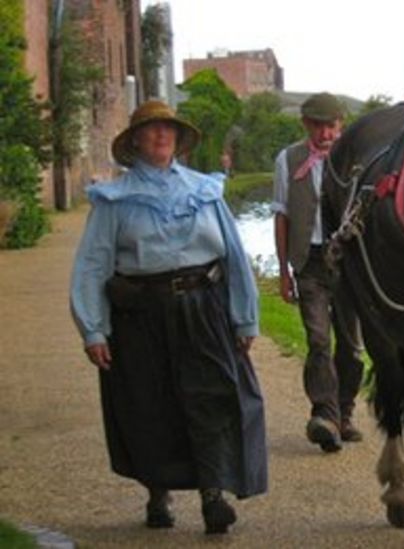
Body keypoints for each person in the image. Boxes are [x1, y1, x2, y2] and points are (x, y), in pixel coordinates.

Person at [70, 100, 266, 535]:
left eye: (168, 129)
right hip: (141, 315)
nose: (161, 135)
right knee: (151, 405)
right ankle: (158, 490)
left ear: (178, 140)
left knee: (213, 397)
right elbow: (92, 265)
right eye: (152, 129)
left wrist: (244, 317)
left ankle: (213, 494)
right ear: (135, 140)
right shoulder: (113, 200)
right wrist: (93, 329)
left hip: (204, 308)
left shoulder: (206, 191)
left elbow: (233, 254)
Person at [273, 92, 365, 453]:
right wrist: (283, 270)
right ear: (306, 125)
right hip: (308, 261)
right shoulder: (289, 159)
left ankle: (345, 412)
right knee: (318, 340)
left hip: (347, 261)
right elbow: (282, 215)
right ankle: (324, 415)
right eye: (317, 125)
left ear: (340, 124)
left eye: (331, 125)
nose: (325, 133)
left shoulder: (355, 161)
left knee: (353, 347)